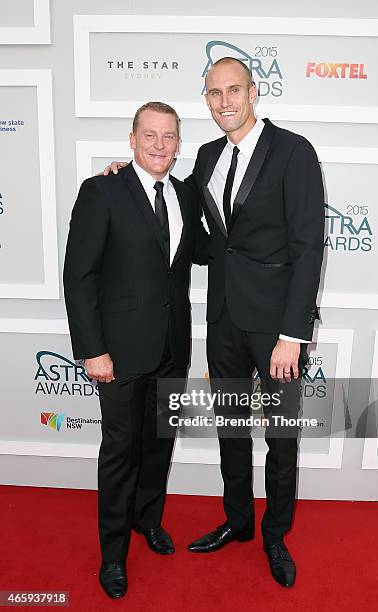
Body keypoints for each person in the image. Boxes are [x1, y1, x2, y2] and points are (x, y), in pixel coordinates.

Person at [104, 57, 325, 588]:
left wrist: (293, 335)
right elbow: (192, 230)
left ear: (253, 92)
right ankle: (239, 520)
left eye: (233, 90)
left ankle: (275, 533)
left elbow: (308, 247)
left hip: (277, 331)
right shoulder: (203, 157)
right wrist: (121, 179)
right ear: (205, 100)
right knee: (231, 430)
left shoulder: (294, 152)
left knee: (280, 438)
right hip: (223, 319)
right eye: (213, 93)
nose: (224, 101)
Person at [63, 101, 208, 599]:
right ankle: (112, 554)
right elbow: (79, 277)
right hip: (119, 354)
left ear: (178, 143)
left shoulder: (186, 196)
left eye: (169, 136)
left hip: (171, 347)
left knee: (158, 446)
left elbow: (205, 250)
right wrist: (92, 350)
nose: (159, 145)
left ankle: (148, 520)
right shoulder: (102, 189)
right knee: (121, 453)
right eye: (149, 135)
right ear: (131, 138)